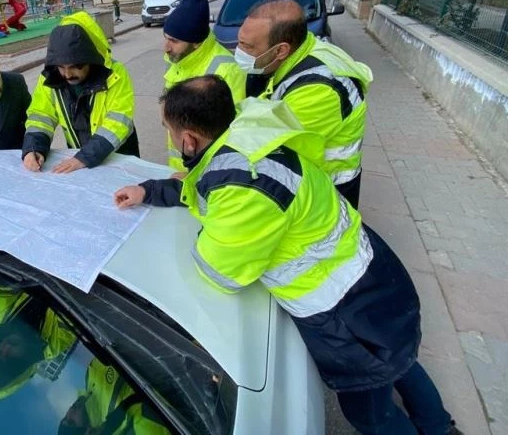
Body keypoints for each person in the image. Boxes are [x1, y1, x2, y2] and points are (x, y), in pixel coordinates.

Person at [114, 76, 457, 435]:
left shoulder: (244, 186)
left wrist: (204, 231)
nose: (168, 136)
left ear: (187, 139)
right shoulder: (248, 135)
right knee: (401, 360)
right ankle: (439, 427)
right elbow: (207, 183)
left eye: (167, 129)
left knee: (370, 413)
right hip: (372, 273)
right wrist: (150, 190)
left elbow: (221, 272)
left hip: (344, 312)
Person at [235, 0, 372, 207]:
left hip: (327, 192)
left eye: (248, 46)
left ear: (281, 50)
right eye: (240, 42)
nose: (239, 51)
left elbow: (271, 150)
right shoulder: (299, 54)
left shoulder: (319, 89)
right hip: (311, 183)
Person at [22, 11, 139, 174]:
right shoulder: (50, 77)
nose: (67, 74)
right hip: (77, 157)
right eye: (61, 67)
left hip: (118, 155)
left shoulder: (114, 74)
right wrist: (34, 148)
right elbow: (41, 116)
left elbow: (118, 122)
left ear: (90, 59)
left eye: (74, 67)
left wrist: (85, 157)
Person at [162, 0, 246, 172]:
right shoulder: (180, 61)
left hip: (208, 173)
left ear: (197, 43)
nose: (166, 47)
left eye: (174, 41)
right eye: (166, 37)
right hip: (180, 170)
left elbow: (232, 133)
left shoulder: (227, 70)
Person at [0, 285, 77, 399]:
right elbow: (71, 310)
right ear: (21, 364)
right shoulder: (51, 347)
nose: (6, 347)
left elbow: (3, 290)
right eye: (9, 356)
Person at [58, 357, 170, 435]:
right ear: (87, 431)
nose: (70, 412)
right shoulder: (123, 418)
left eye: (65, 418)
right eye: (72, 421)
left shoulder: (88, 377)